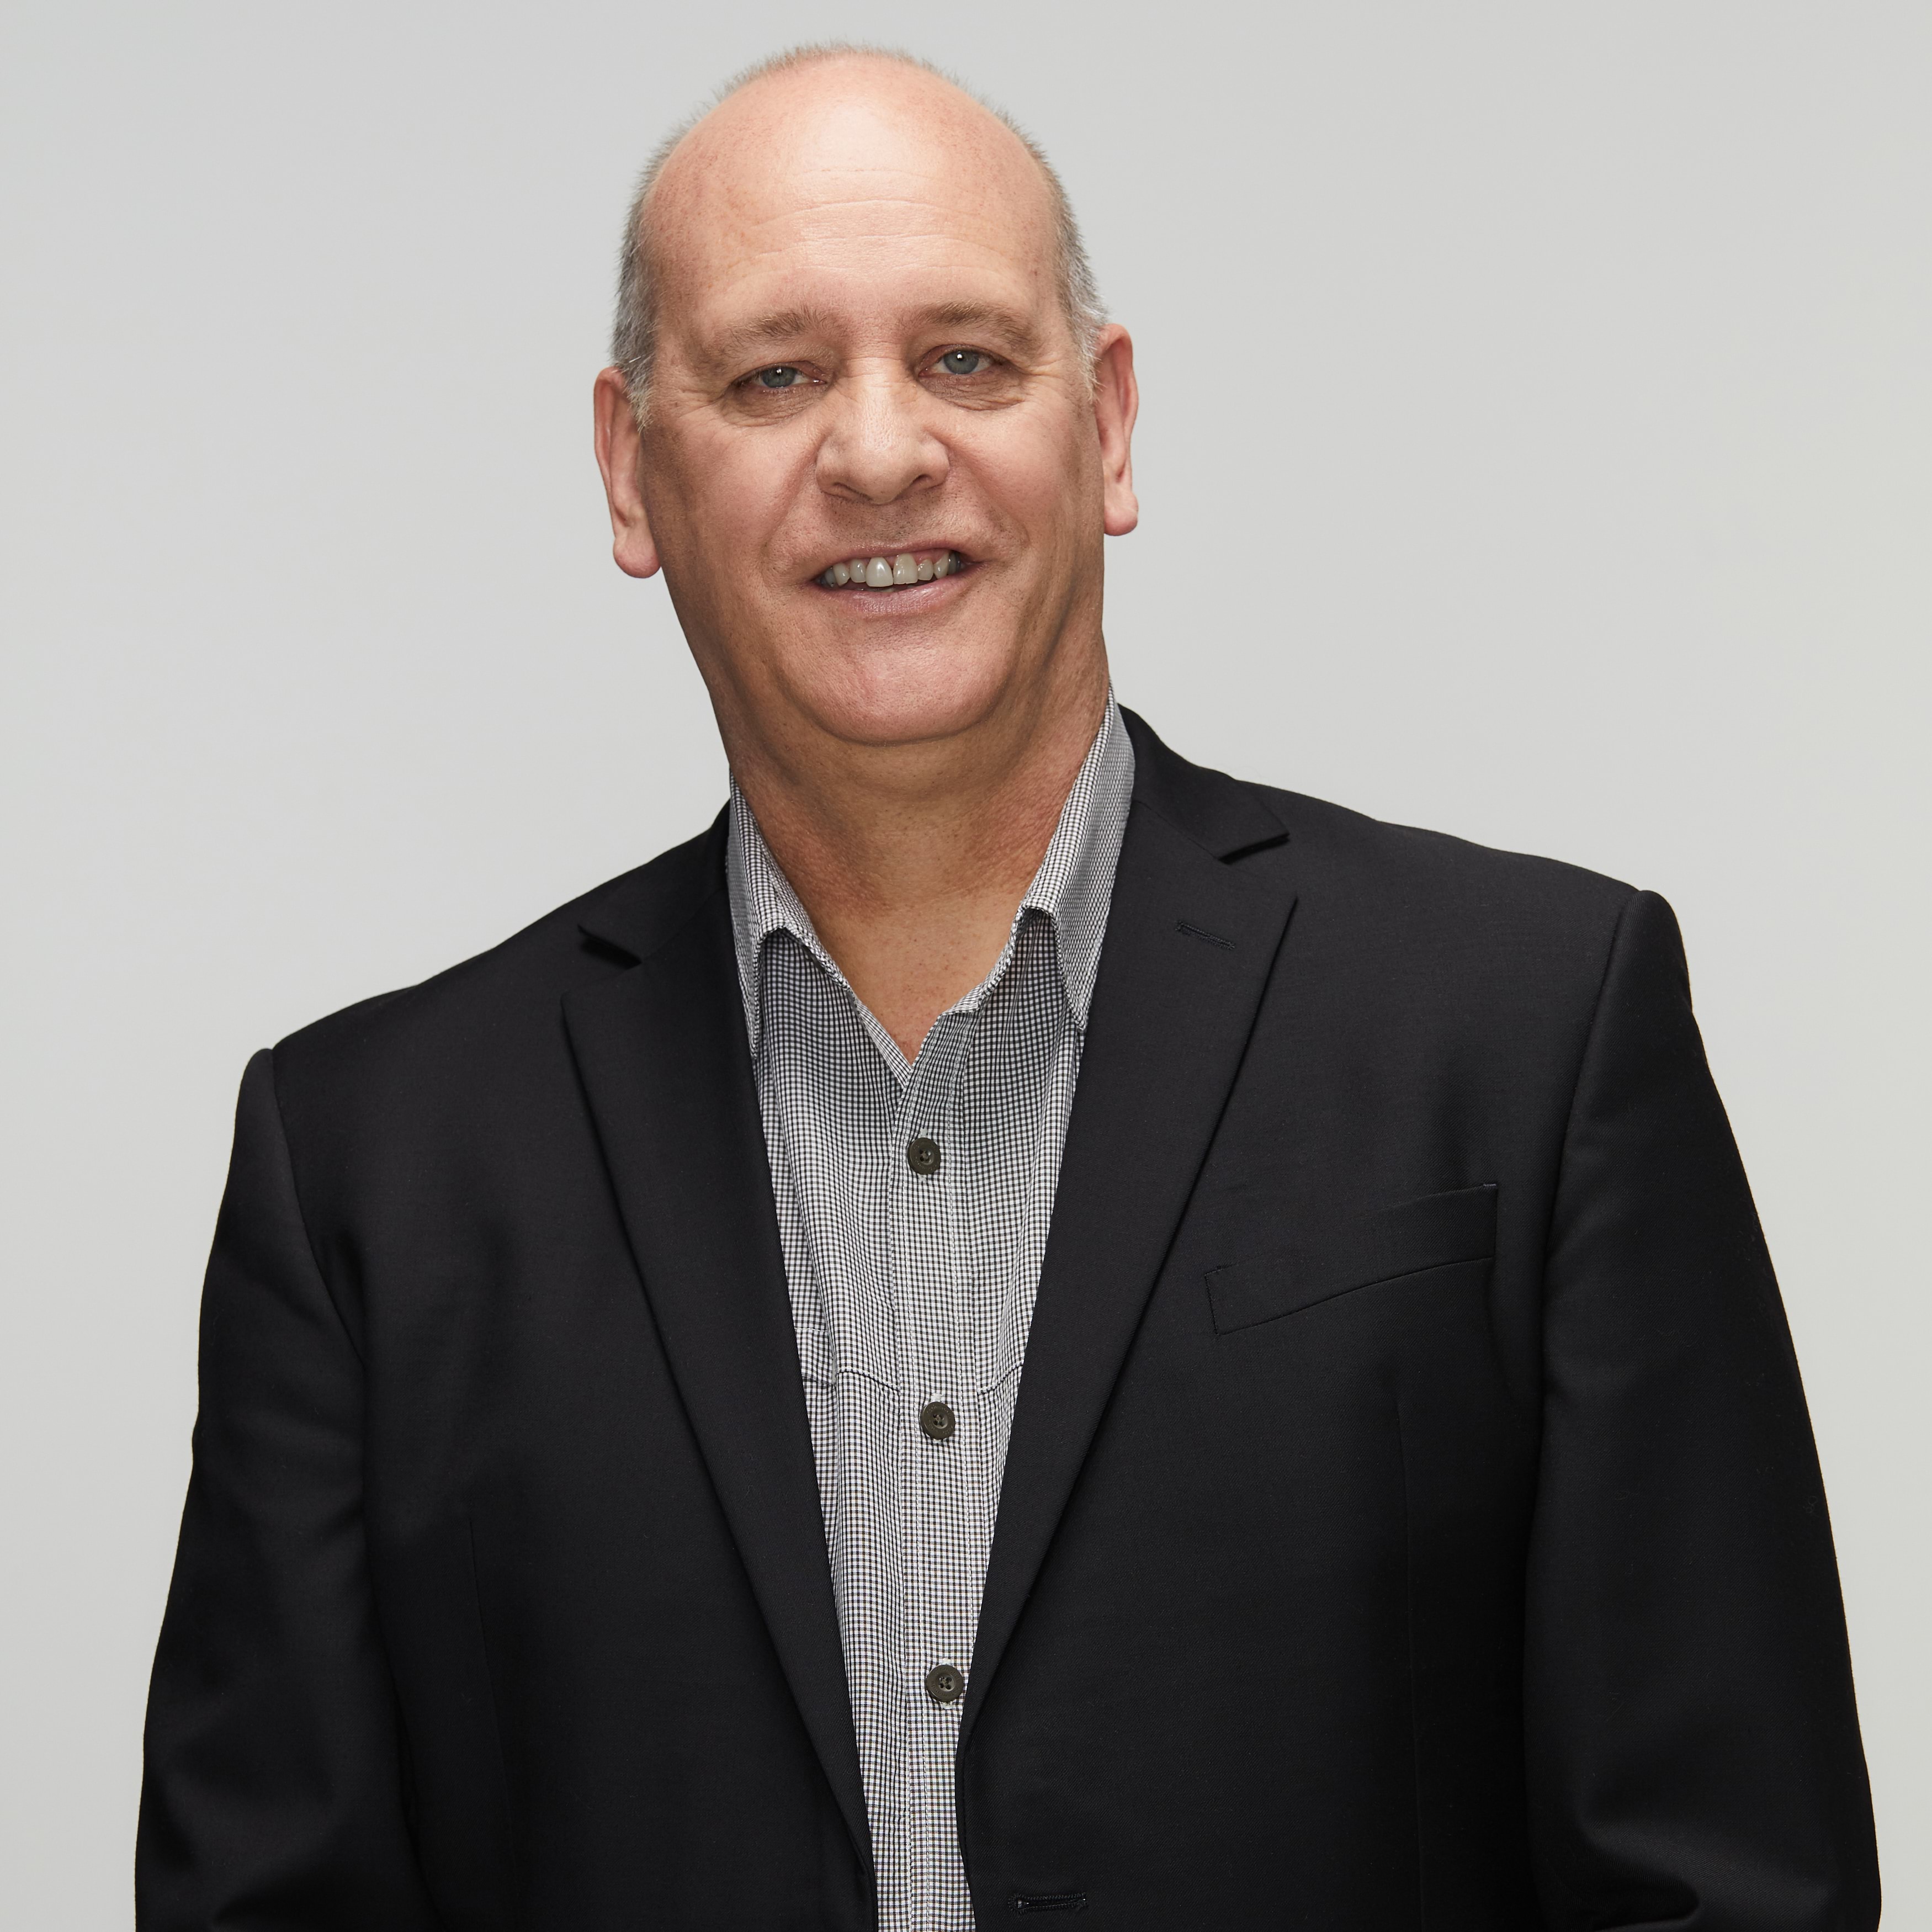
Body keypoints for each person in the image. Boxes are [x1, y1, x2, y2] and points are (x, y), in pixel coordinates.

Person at [136, 43, 1879, 1932]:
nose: (879, 449)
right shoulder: (368, 1167)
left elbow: (1730, 1885)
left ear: (1109, 424)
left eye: (965, 357)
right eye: (774, 373)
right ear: (632, 466)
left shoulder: (1531, 1030)